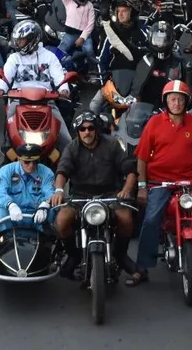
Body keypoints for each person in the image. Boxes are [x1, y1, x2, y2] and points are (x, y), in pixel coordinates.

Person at [133, 80, 192, 286]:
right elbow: (141, 157)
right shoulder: (154, 124)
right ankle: (142, 267)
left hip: (190, 181)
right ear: (166, 101)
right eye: (172, 99)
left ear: (187, 102)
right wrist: (142, 187)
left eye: (180, 99)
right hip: (160, 181)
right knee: (151, 219)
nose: (176, 103)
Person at [51, 110, 137, 280]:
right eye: (82, 129)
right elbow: (62, 171)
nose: (87, 132)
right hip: (79, 196)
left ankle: (120, 254)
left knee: (126, 219)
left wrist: (126, 189)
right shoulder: (72, 148)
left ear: (96, 129)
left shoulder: (112, 144)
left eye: (90, 128)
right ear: (78, 131)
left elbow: (130, 170)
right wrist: (59, 190)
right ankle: (74, 255)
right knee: (60, 222)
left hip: (110, 195)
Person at [0, 18, 72, 147]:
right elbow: (5, 76)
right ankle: (7, 154)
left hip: (47, 102)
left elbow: (60, 77)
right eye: (17, 40)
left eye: (21, 40)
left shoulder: (49, 56)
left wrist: (64, 89)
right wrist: (0, 89)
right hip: (18, 102)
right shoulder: (14, 58)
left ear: (32, 40)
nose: (17, 43)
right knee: (9, 133)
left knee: (66, 140)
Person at [0, 141, 55, 231]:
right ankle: (7, 239)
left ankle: (46, 241)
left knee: (51, 212)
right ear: (19, 159)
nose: (31, 166)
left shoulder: (46, 172)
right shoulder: (6, 171)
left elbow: (51, 193)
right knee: (0, 211)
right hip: (13, 216)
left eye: (35, 161)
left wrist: (45, 205)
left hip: (37, 216)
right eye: (27, 162)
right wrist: (10, 205)